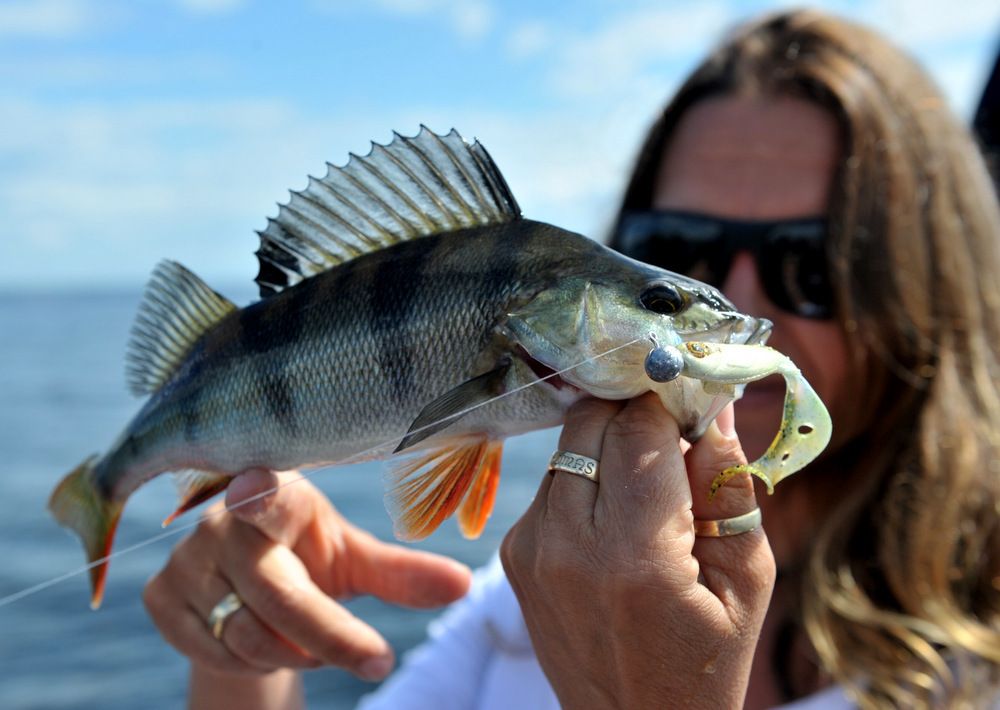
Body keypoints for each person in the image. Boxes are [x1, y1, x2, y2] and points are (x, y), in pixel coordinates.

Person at [143, 9, 1000, 708]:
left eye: (809, 264)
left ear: (928, 293)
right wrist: (243, 654)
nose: (746, 299)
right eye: (676, 254)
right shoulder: (521, 603)